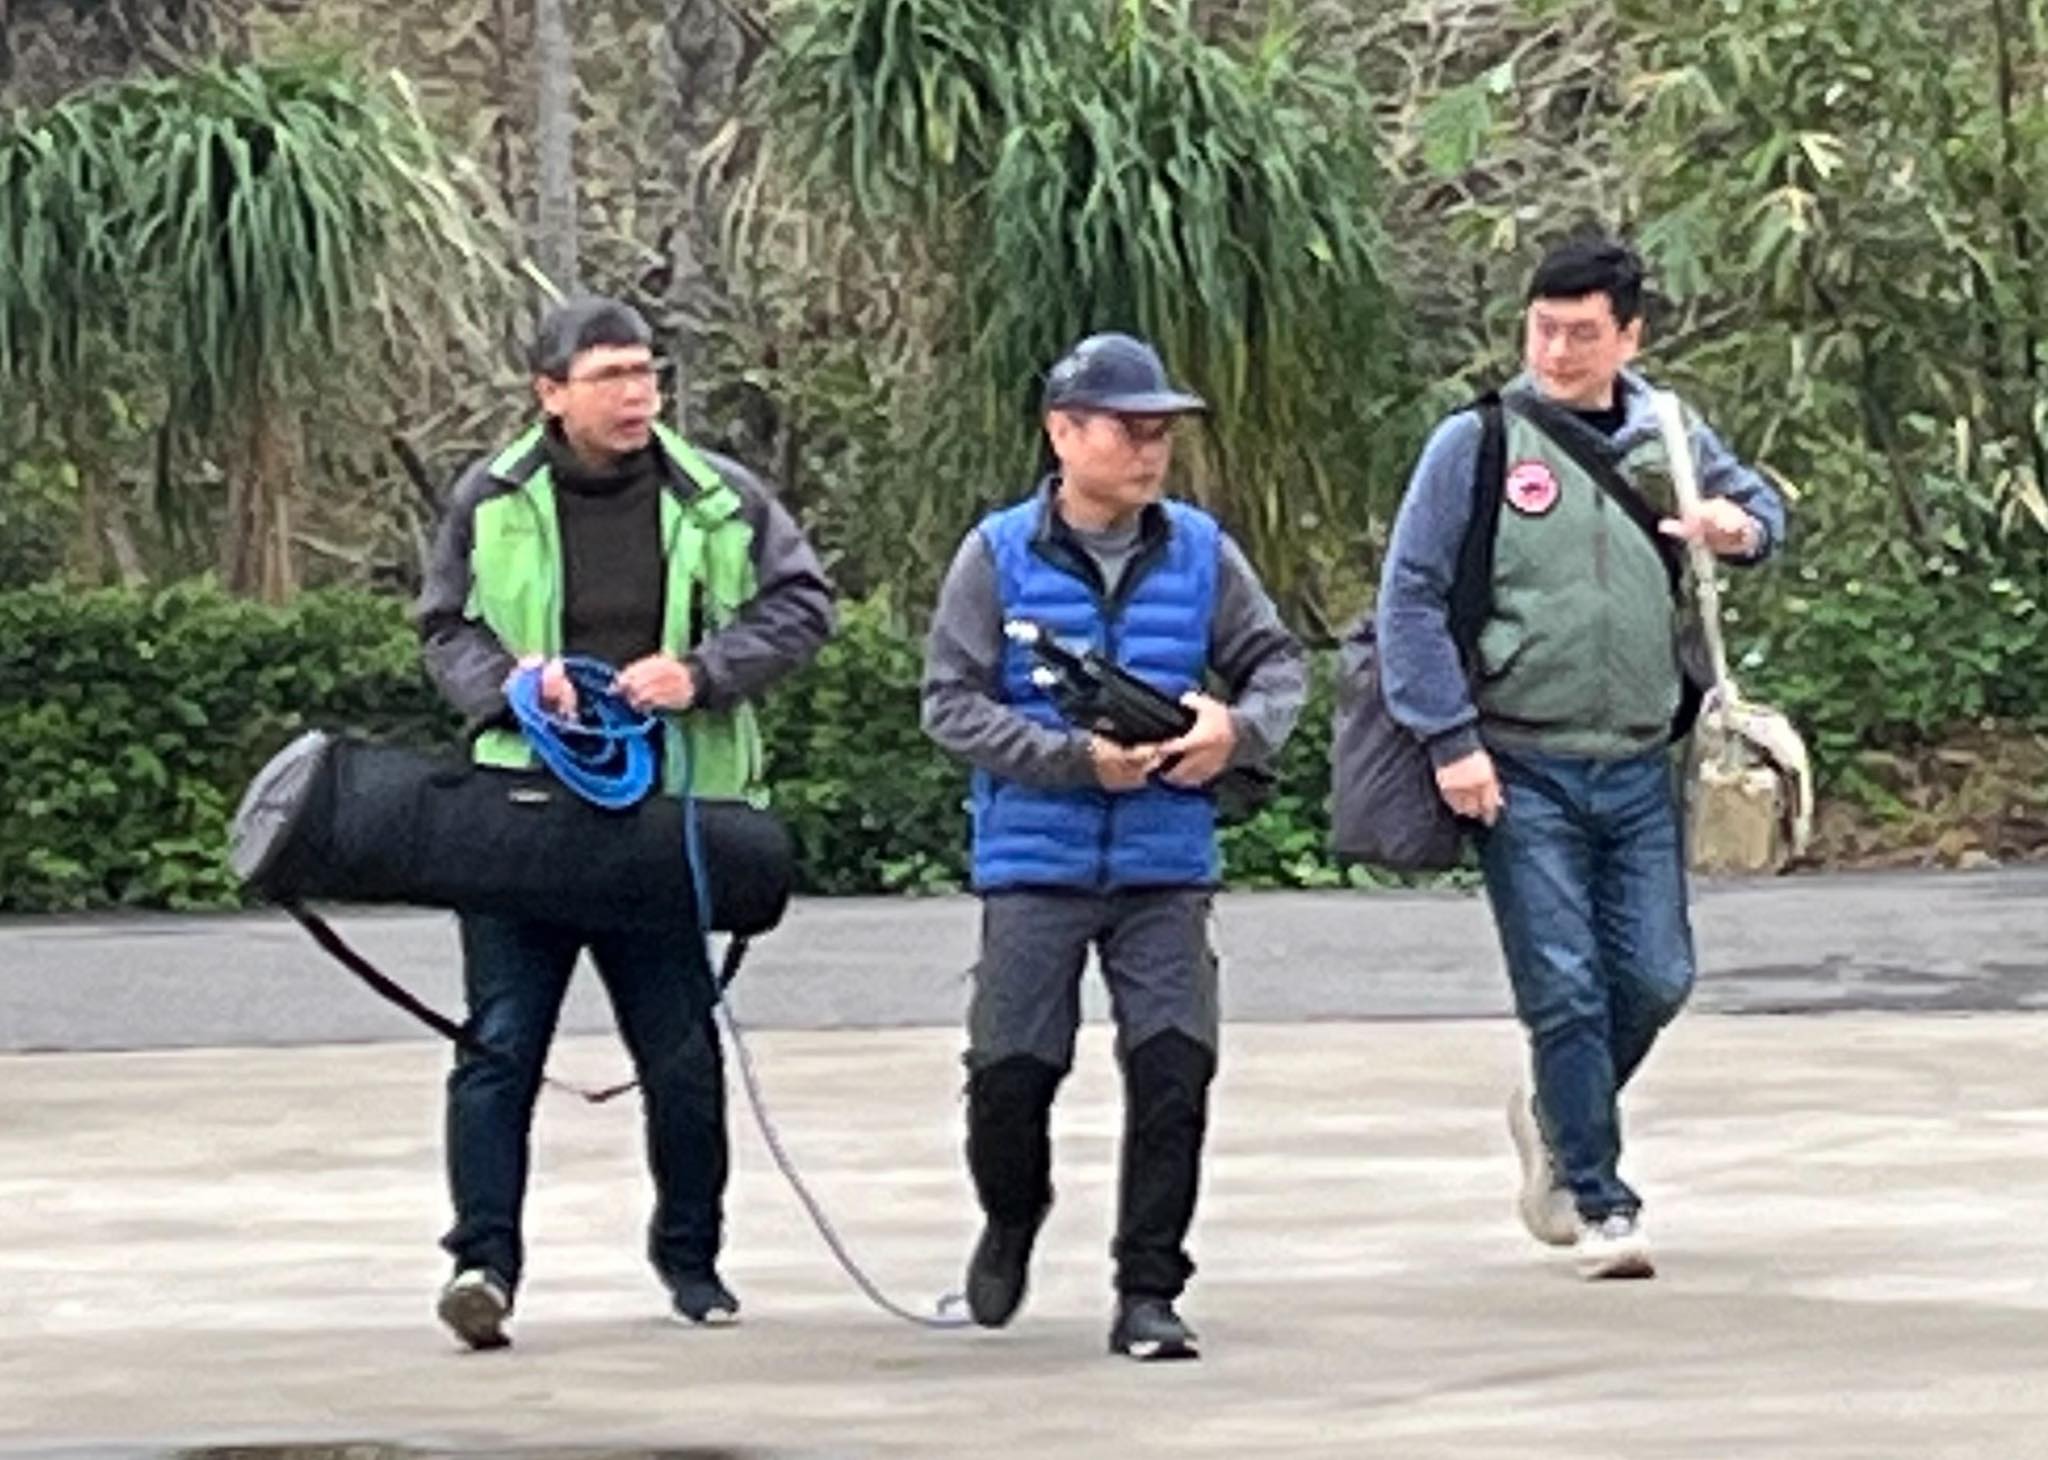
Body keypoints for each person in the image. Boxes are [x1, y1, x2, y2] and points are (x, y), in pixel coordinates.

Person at [415, 296, 835, 1347]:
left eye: (646, 372)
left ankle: (692, 1262)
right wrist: (511, 685)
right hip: (523, 811)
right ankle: (482, 1265)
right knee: (498, 1045)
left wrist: (702, 673)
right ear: (550, 393)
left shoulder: (719, 495)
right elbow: (443, 627)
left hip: (661, 810)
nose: (637, 393)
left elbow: (801, 605)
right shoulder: (490, 496)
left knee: (680, 1053)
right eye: (610, 375)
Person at [1377, 236, 1786, 1278]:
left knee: (1654, 975)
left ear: (1628, 336)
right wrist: (1449, 738)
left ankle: (1556, 1116)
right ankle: (1599, 1200)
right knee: (1561, 984)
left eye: (1582, 333)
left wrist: (1735, 527)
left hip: (1641, 759)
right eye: (1543, 329)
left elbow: (1764, 512)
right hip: (1520, 761)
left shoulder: (1669, 434)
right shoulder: (1476, 442)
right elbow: (1410, 596)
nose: (1557, 351)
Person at [921, 331, 1306, 1359]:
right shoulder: (996, 553)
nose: (1149, 451)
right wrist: (1070, 758)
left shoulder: (1201, 549)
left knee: (1174, 1067)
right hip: (1032, 862)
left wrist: (1232, 731)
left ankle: (1149, 1288)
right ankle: (1012, 1214)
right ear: (1062, 433)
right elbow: (949, 703)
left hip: (1164, 863)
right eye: (1128, 430)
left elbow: (1276, 666)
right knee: (1009, 1071)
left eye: (1160, 434)